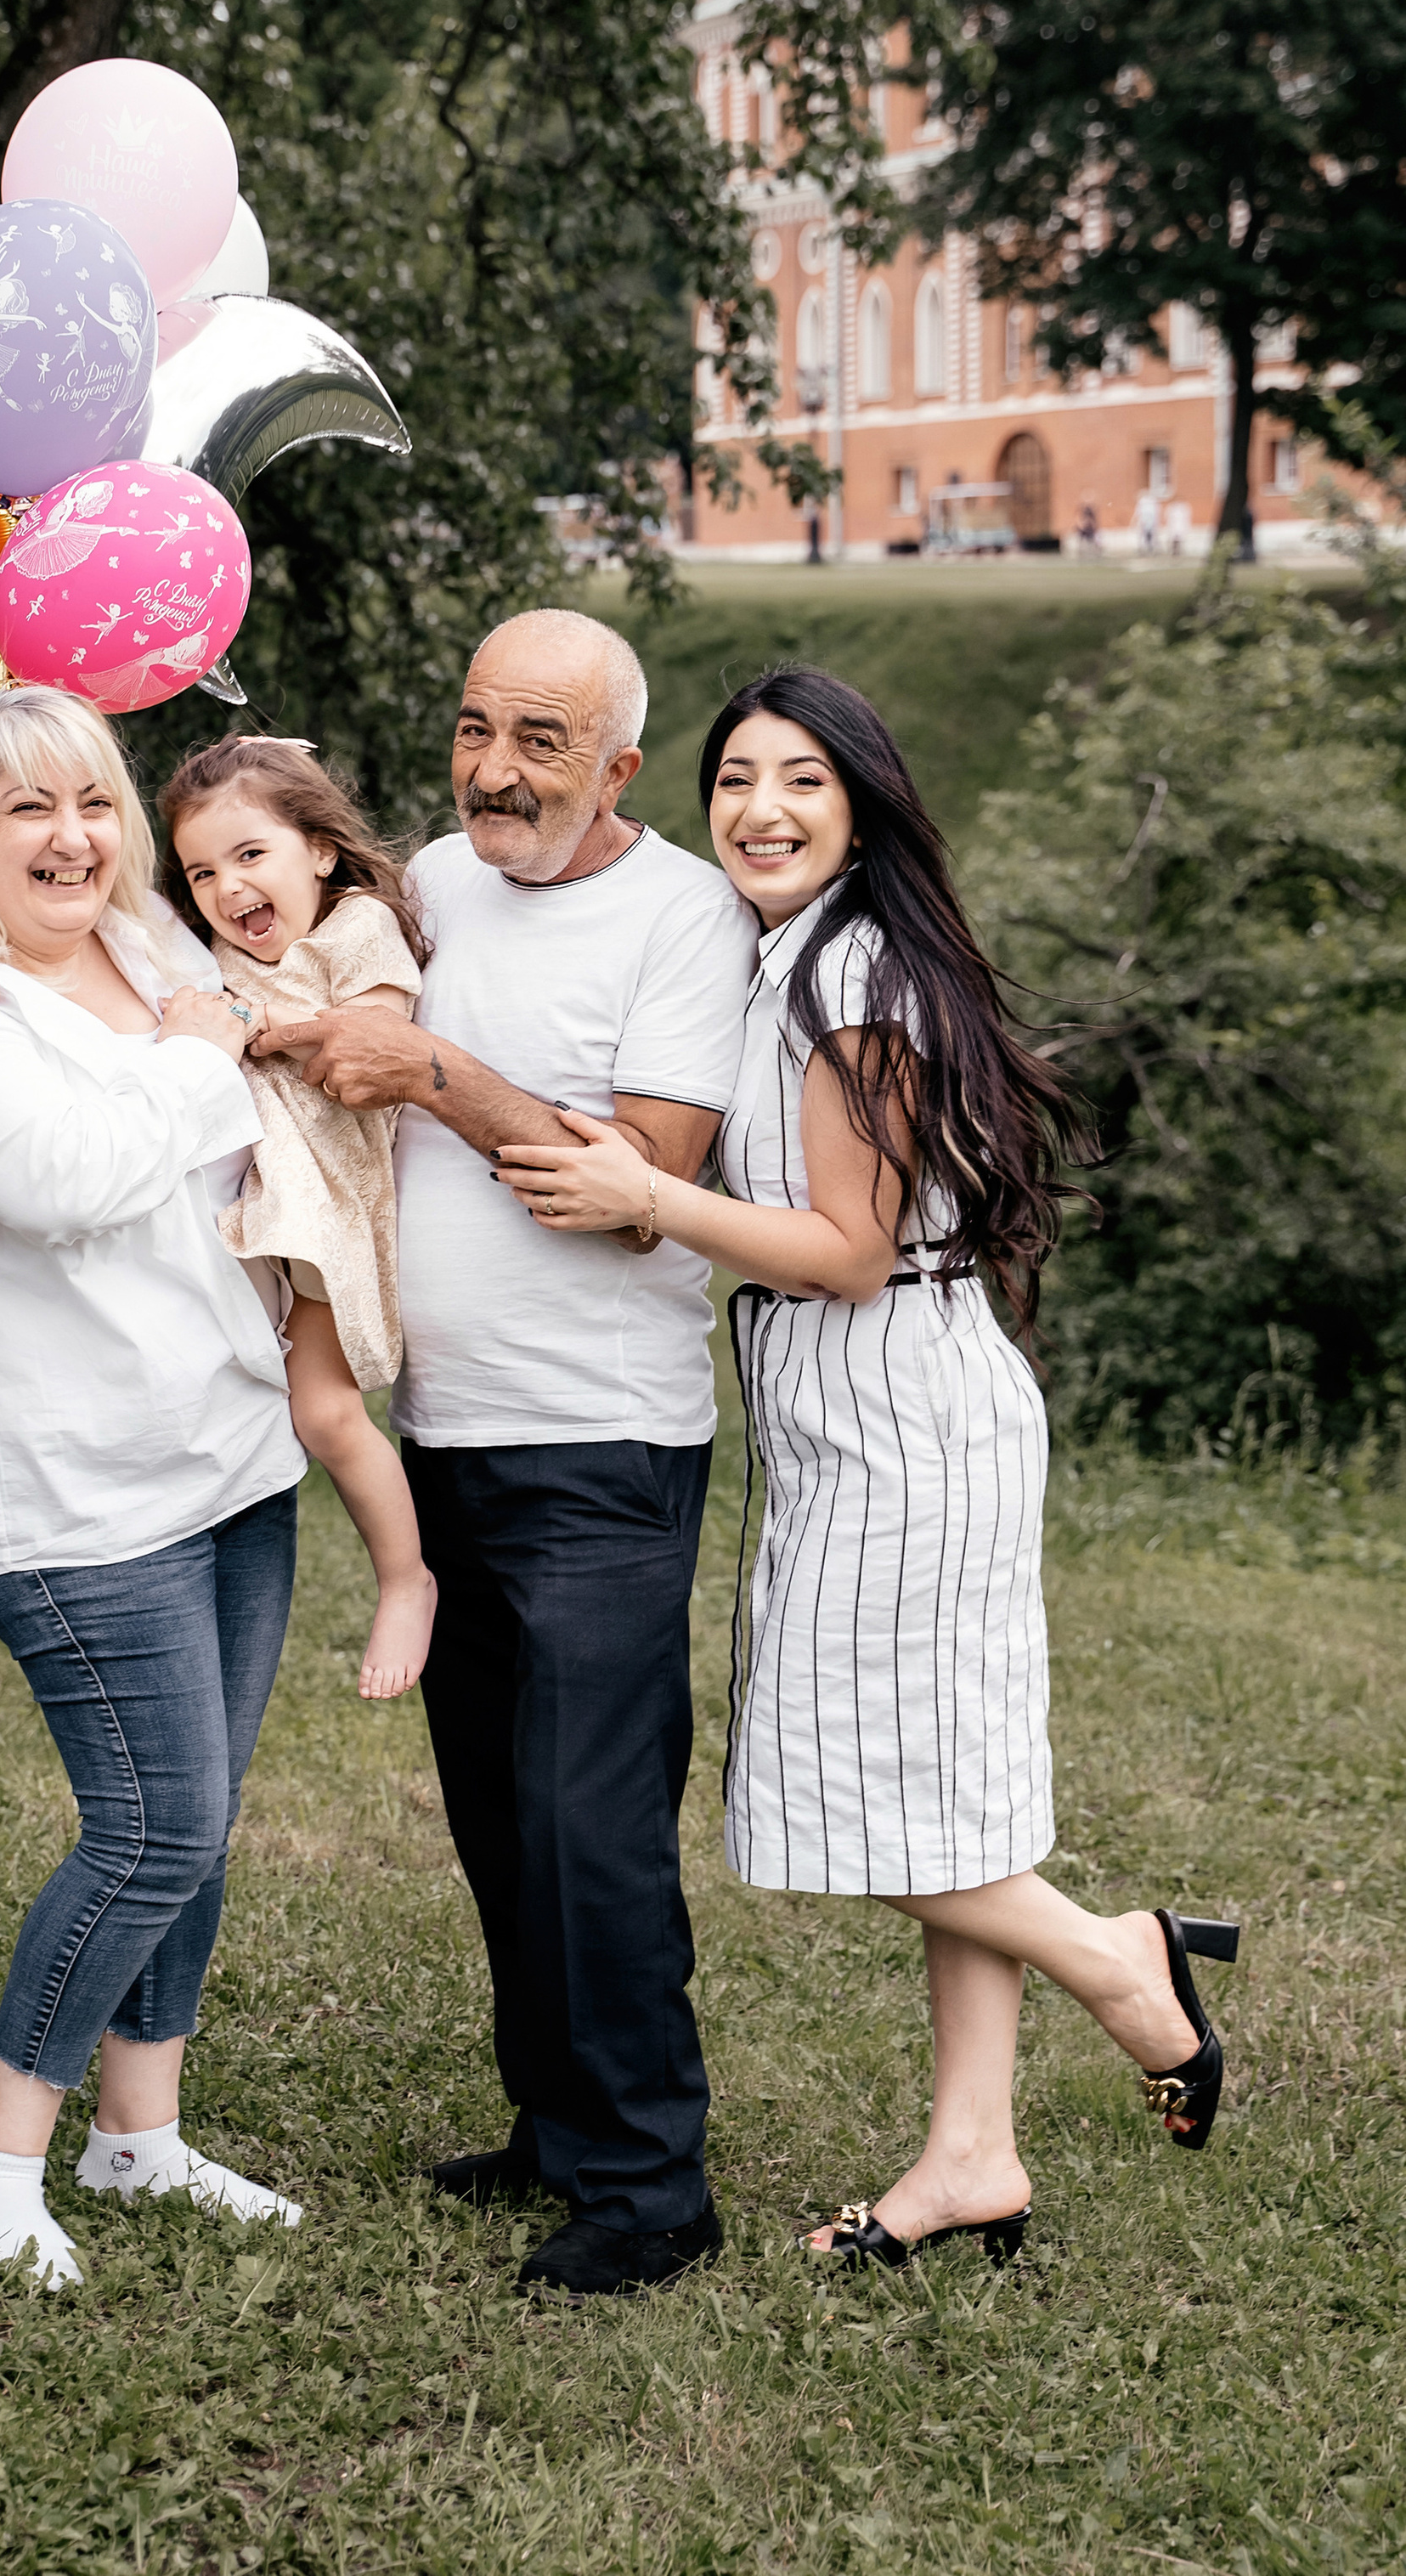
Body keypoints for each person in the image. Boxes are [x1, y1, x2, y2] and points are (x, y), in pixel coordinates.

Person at [496, 665, 1241, 2268]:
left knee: (864, 1805)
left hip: (901, 1408)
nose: (761, 809)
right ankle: (973, 2158)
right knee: (946, 1797)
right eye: (737, 779)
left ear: (864, 804)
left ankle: (1123, 1966)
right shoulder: (801, 955)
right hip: (872, 1402)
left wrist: (649, 1196)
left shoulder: (854, 981)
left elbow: (843, 1249)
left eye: (804, 782)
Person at [253, 610, 758, 2297]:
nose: (494, 768)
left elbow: (645, 1182)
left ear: (614, 764)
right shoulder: (426, 887)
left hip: (601, 1445)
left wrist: (442, 1074)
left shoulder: (681, 914)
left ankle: (647, 2188)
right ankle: (553, 2126)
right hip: (443, 1438)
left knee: (587, 1822)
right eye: (474, 727)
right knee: (496, 1815)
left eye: (539, 740)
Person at [0, 686, 309, 2289]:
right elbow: (71, 1182)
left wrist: (194, 1046)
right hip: (67, 1485)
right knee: (152, 1823)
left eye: (94, 803)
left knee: (203, 1826)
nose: (73, 839)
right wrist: (199, 1064)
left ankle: (141, 2135)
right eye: (27, 812)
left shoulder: (153, 953)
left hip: (231, 1450)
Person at [158, 735, 437, 1701]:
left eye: (249, 855)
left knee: (322, 1412)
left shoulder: (357, 929)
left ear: (318, 850)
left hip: (323, 1208)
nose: (227, 886)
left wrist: (249, 1034)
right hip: (251, 1208)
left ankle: (405, 1578)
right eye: (201, 870)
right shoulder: (219, 954)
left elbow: (374, 1042)